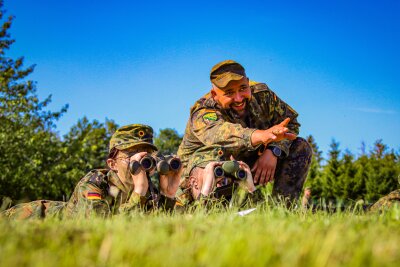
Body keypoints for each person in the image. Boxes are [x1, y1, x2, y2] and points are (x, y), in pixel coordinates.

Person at [177, 60, 312, 205]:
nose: (238, 98)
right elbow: (218, 134)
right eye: (229, 93)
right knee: (213, 153)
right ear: (214, 94)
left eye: (242, 88)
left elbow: (290, 122)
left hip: (243, 167)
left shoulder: (262, 95)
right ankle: (210, 210)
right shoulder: (204, 110)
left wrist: (274, 151)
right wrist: (262, 135)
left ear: (248, 82)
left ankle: (281, 210)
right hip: (196, 180)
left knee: (300, 147)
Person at [1, 124, 181, 220]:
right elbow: (100, 225)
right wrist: (139, 192)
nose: (141, 163)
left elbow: (165, 226)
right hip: (32, 217)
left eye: (145, 157)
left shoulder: (150, 193)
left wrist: (169, 193)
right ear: (112, 163)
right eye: (131, 156)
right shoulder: (94, 182)